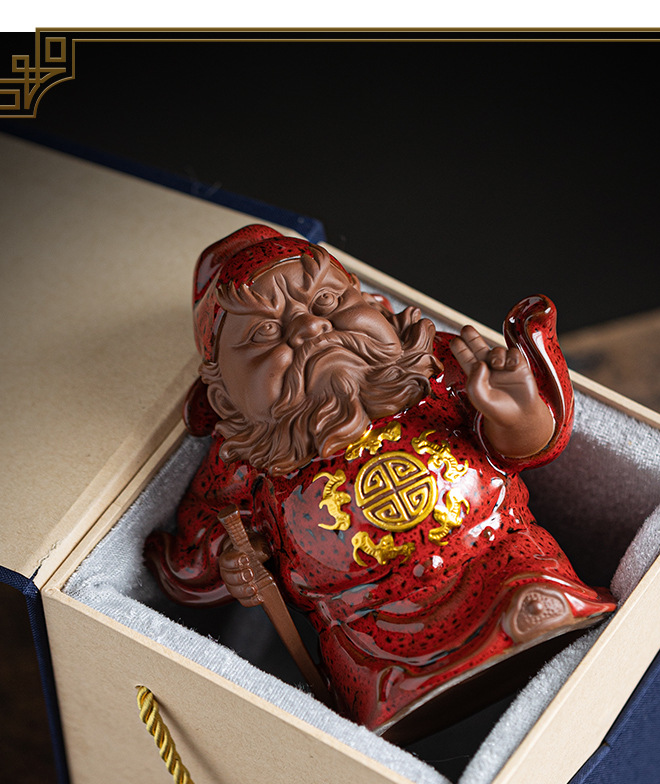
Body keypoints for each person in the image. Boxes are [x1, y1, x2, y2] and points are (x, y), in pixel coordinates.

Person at [145, 224, 616, 736]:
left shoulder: (437, 371)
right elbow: (198, 545)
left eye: (327, 302)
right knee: (373, 677)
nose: (309, 330)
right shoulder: (246, 463)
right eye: (263, 335)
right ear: (224, 396)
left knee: (531, 596)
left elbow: (528, 446)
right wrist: (234, 563)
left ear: (376, 306)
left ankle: (535, 617)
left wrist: (518, 414)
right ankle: (398, 695)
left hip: (498, 561)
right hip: (369, 632)